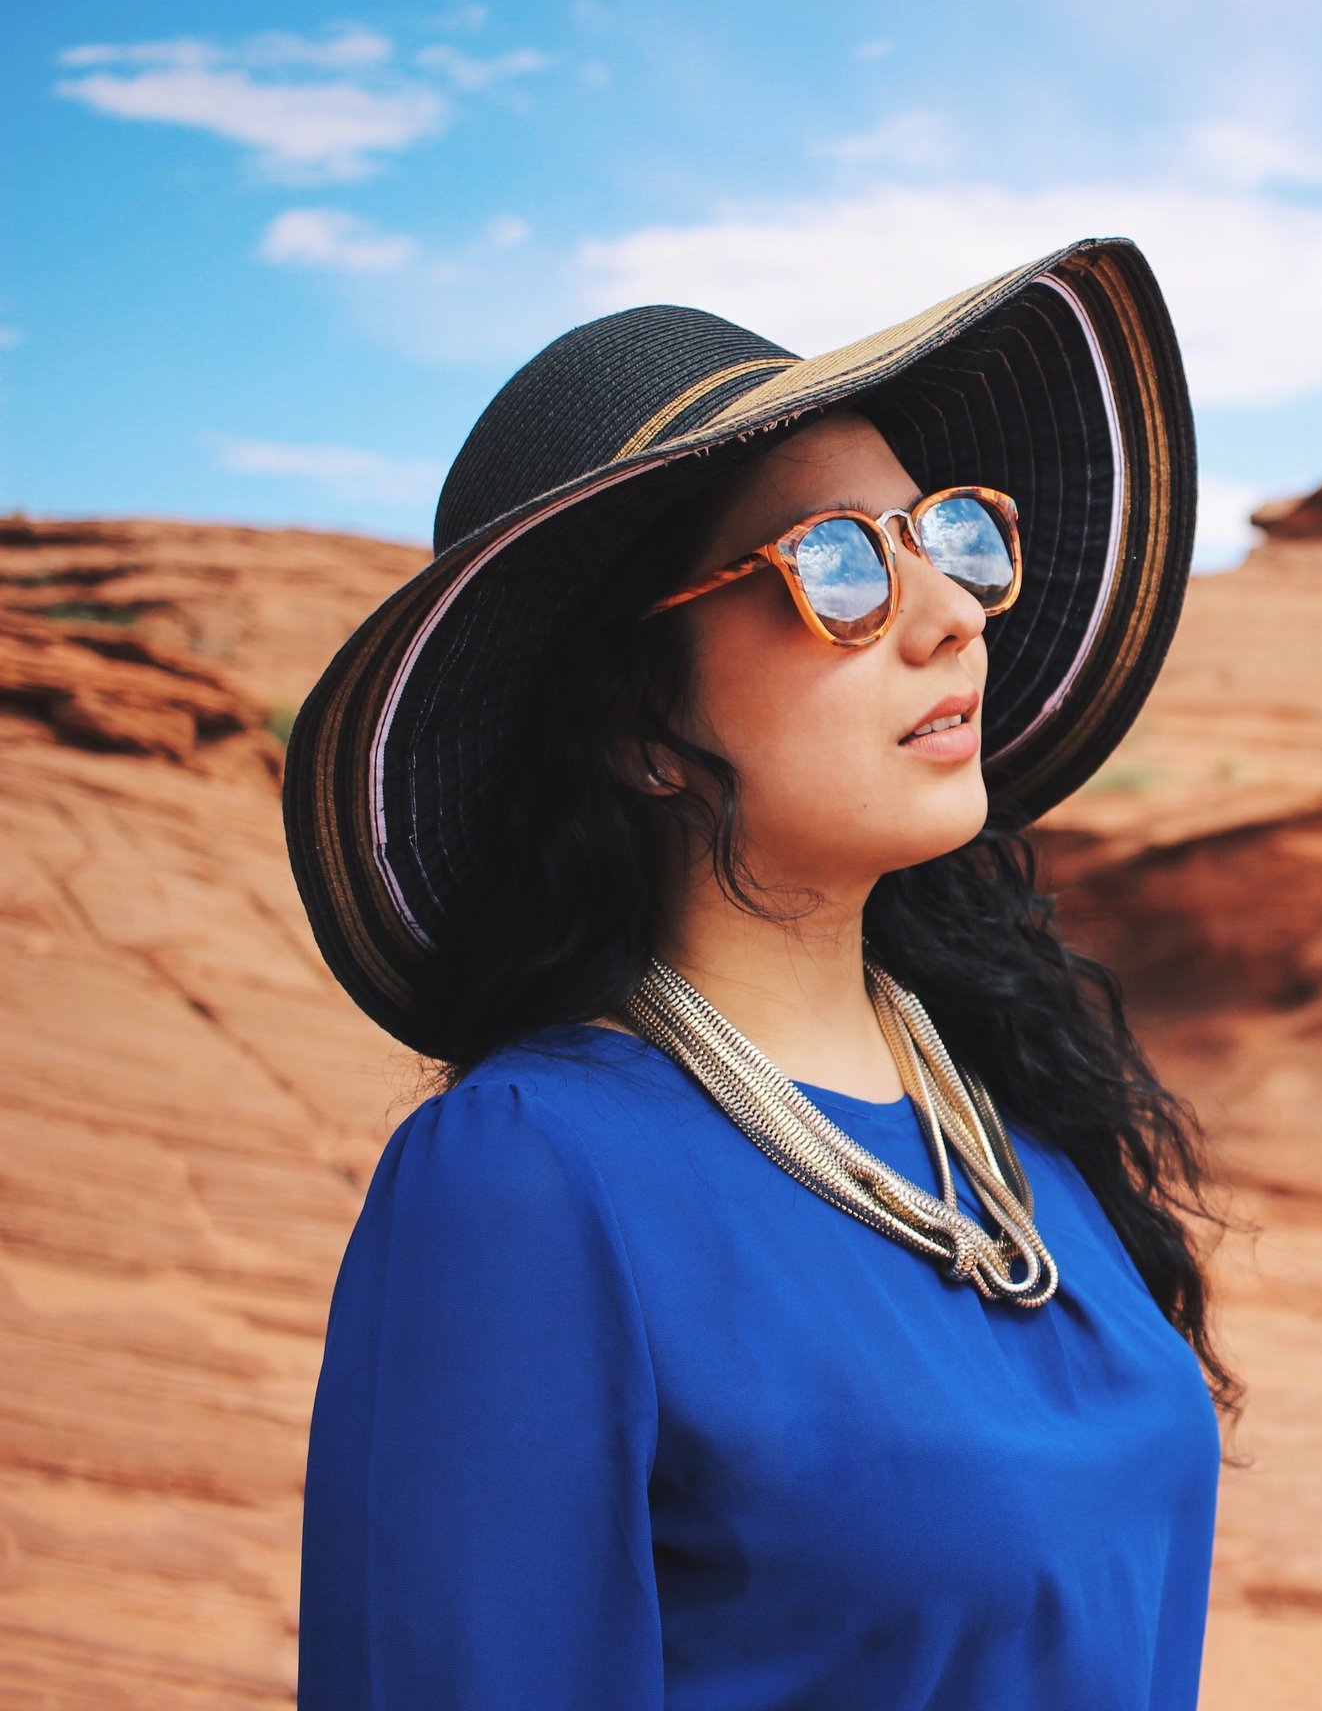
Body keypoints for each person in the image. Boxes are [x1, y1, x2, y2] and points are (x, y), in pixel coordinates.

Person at [282, 239, 1233, 1709]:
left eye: (946, 535)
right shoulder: (530, 1181)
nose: (948, 612)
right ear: (637, 726)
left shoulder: (1011, 1129)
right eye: (837, 568)